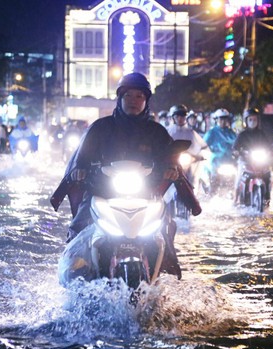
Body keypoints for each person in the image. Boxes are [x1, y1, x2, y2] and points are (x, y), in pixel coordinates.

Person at [50, 73, 200, 276]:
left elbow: (169, 157)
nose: (134, 101)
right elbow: (82, 156)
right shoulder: (100, 128)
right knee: (80, 223)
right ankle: (72, 270)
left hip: (145, 195)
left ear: (146, 101)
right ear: (120, 98)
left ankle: (167, 272)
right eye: (128, 96)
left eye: (139, 96)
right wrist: (80, 169)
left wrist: (171, 169)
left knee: (165, 226)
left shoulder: (156, 132)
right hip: (102, 192)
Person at [166, 104, 210, 195]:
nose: (180, 118)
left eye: (182, 116)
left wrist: (200, 156)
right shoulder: (166, 132)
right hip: (171, 164)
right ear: (173, 117)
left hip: (189, 165)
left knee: (193, 179)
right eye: (177, 116)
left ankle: (193, 197)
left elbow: (204, 148)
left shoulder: (191, 133)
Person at [232, 108, 273, 204]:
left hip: (260, 161)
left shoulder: (261, 134)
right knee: (239, 177)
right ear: (246, 121)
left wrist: (270, 152)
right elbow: (235, 147)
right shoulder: (242, 135)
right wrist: (237, 152)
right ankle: (235, 198)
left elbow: (268, 146)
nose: (252, 122)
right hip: (245, 161)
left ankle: (267, 198)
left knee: (267, 175)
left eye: (255, 119)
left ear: (258, 121)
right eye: (250, 119)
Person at [203, 108, 237, 178]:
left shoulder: (232, 133)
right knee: (211, 175)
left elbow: (238, 143)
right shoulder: (211, 133)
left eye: (225, 119)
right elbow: (203, 145)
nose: (223, 121)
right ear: (216, 120)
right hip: (215, 161)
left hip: (230, 160)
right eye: (221, 119)